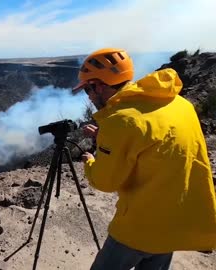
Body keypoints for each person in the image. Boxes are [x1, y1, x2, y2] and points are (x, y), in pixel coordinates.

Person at [72, 48, 216, 270]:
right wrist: (108, 138)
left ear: (98, 86)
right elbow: (156, 143)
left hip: (140, 227)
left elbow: (105, 182)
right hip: (175, 221)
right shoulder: (179, 104)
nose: (89, 97)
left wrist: (91, 160)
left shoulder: (120, 121)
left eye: (87, 91)